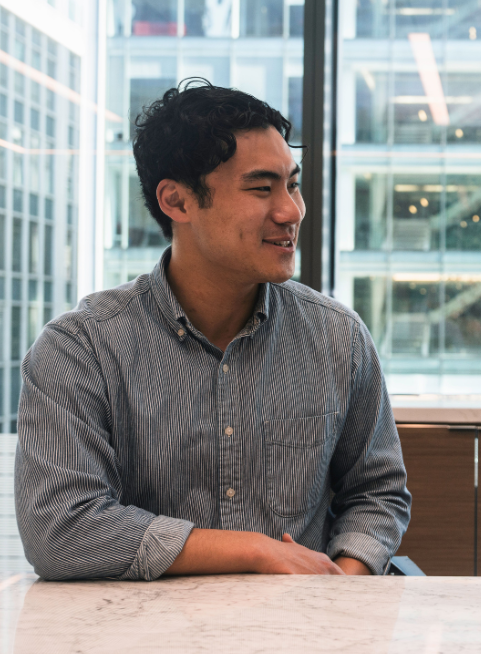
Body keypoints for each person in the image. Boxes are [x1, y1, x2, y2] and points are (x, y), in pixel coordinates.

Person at [15, 80, 411, 581]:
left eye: (292, 183)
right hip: (142, 632)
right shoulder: (81, 349)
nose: (291, 211)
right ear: (176, 201)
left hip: (301, 628)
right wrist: (254, 551)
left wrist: (342, 582)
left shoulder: (337, 337)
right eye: (261, 188)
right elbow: (60, 529)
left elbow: (376, 493)